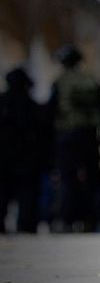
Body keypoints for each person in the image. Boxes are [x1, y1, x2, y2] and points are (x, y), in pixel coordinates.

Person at [47, 44, 100, 232]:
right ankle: (99, 221)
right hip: (89, 136)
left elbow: (51, 112)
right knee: (94, 179)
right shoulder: (92, 80)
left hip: (67, 136)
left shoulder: (61, 82)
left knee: (68, 179)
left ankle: (66, 221)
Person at [0, 68, 48, 233]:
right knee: (27, 198)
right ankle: (26, 229)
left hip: (6, 160)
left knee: (4, 195)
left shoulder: (3, 104)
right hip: (27, 162)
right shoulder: (33, 107)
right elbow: (45, 137)